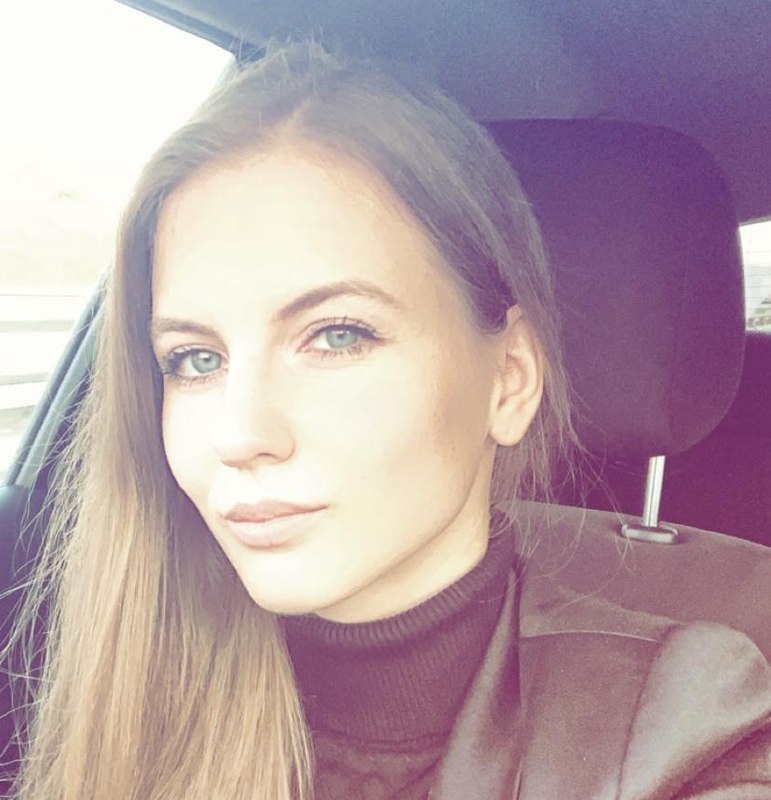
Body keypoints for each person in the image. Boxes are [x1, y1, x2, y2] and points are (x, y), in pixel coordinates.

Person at [6, 39, 770, 800]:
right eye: (195, 359)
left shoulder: (679, 727)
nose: (237, 435)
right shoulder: (130, 672)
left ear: (507, 380)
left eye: (338, 336)